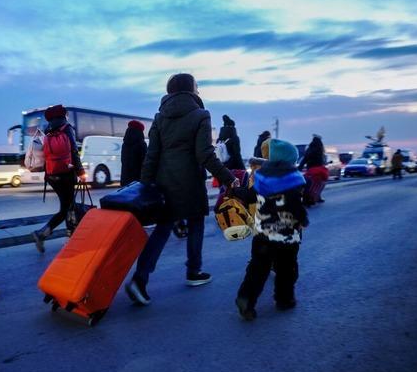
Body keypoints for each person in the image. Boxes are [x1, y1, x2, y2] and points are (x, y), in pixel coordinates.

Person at [125, 73, 239, 305]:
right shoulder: (201, 115)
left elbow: (152, 155)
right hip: (190, 182)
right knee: (196, 222)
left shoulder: (159, 117)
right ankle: (193, 271)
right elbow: (204, 154)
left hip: (163, 182)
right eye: (197, 88)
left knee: (163, 228)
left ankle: (139, 279)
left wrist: (146, 185)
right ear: (191, 90)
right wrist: (228, 178)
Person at [234, 139, 309, 321]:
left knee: (257, 269)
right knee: (286, 270)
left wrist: (236, 191)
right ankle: (285, 300)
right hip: (286, 239)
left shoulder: (262, 178)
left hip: (262, 235)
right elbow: (295, 206)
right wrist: (303, 220)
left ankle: (246, 298)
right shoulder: (293, 180)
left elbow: (250, 196)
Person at [32, 104, 85, 252]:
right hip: (66, 175)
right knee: (67, 208)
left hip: (51, 175)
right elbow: (74, 151)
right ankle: (44, 234)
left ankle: (65, 236)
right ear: (63, 116)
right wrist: (80, 171)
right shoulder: (67, 128)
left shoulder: (48, 130)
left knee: (68, 206)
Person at [298, 134, 328, 204]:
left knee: (309, 184)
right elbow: (322, 161)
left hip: (311, 170)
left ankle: (308, 197)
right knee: (321, 183)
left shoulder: (310, 149)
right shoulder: (320, 150)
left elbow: (305, 159)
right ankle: (318, 196)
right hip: (320, 171)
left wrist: (300, 167)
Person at [120, 120, 147, 186]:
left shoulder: (125, 144)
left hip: (125, 179)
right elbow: (145, 162)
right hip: (137, 180)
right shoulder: (141, 144)